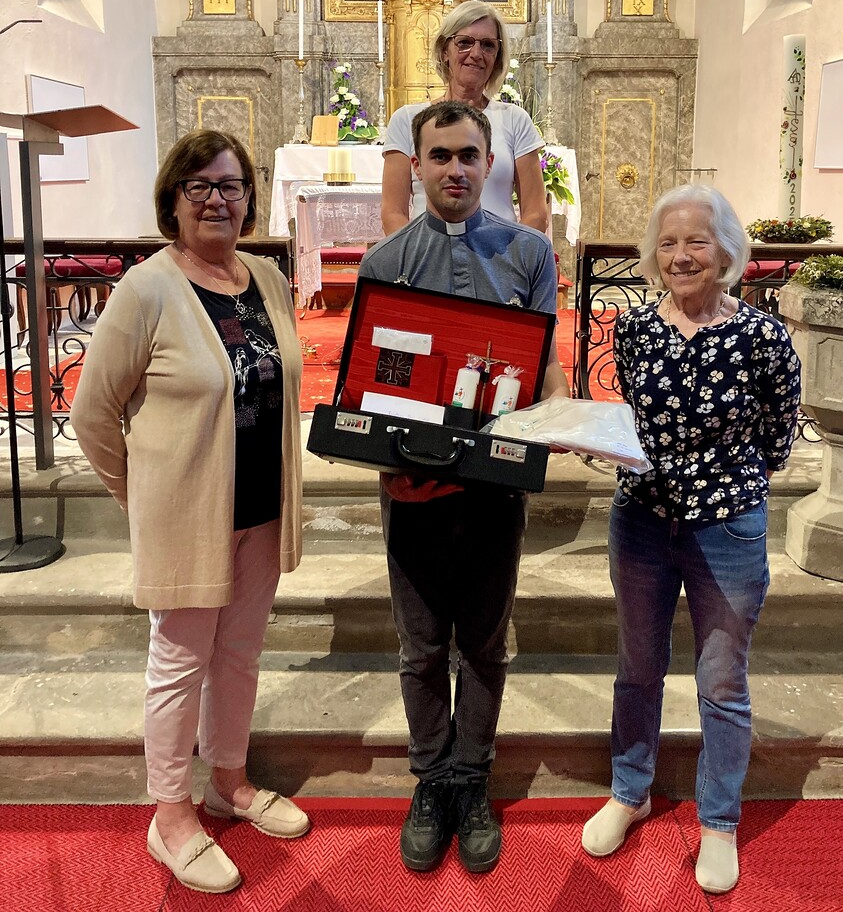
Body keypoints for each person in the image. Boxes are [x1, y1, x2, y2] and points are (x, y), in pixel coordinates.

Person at [71, 130, 308, 894]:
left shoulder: (266, 278)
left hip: (261, 510)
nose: (216, 199)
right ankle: (170, 814)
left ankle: (228, 783)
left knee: (238, 654)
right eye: (198, 186)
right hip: (187, 515)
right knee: (178, 666)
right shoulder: (147, 288)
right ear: (172, 200)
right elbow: (92, 414)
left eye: (230, 185)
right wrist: (145, 499)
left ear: (248, 198)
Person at [360, 101, 570, 875]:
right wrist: (384, 458)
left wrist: (555, 422)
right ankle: (430, 779)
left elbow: (543, 361)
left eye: (468, 155)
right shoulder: (387, 261)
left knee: (482, 643)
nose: (455, 169)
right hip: (413, 487)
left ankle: (469, 778)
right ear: (414, 165)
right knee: (420, 647)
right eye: (440, 155)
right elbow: (374, 381)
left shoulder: (527, 253)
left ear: (490, 164)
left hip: (492, 488)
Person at [580, 185, 801, 894]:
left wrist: (724, 485)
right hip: (642, 520)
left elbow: (778, 435)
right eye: (668, 242)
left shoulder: (763, 337)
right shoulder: (636, 330)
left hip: (728, 527)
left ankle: (718, 821)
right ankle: (630, 791)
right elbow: (635, 421)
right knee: (637, 666)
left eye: (696, 241)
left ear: (725, 250)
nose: (680, 255)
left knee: (722, 680)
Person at [381, 0, 548, 236]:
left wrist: (510, 255)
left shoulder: (515, 120)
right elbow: (393, 212)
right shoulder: (407, 120)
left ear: (497, 57)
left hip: (500, 253)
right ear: (444, 51)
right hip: (427, 252)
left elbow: (536, 213)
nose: (476, 54)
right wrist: (415, 254)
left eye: (488, 45)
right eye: (464, 43)